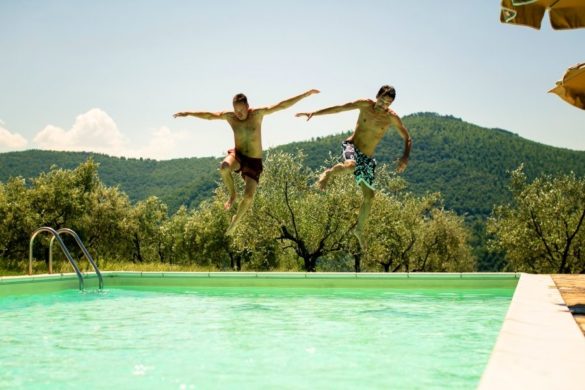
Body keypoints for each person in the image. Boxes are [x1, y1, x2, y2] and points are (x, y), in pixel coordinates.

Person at [174, 89, 320, 235]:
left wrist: (305, 94)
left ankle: (235, 221)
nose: (239, 114)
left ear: (247, 106)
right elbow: (209, 116)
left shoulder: (257, 114)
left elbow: (281, 105)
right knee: (224, 167)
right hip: (238, 155)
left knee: (249, 196)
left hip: (254, 161)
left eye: (241, 110)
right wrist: (189, 113)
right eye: (236, 110)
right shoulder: (230, 117)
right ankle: (232, 195)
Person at [296, 85, 412, 249]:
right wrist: (314, 113)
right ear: (377, 96)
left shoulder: (392, 118)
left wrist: (405, 156)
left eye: (388, 103)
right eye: (381, 100)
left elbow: (407, 137)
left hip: (367, 157)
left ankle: (359, 230)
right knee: (351, 165)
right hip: (352, 146)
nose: (383, 105)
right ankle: (328, 174)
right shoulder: (364, 104)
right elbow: (340, 108)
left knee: (369, 196)